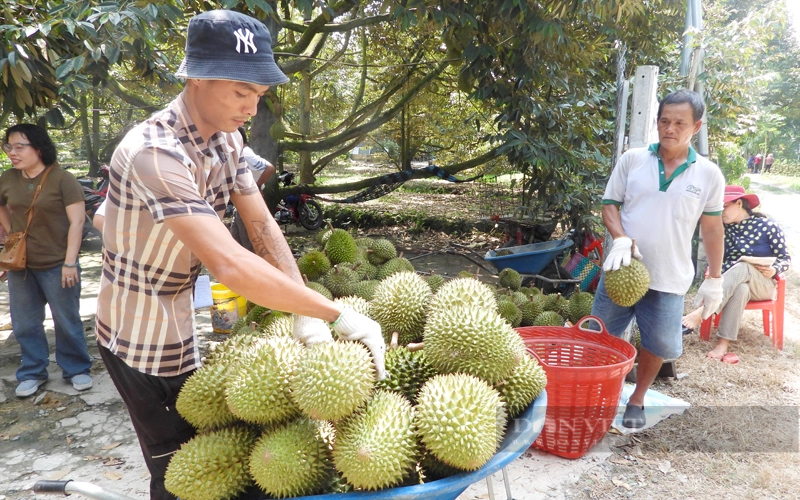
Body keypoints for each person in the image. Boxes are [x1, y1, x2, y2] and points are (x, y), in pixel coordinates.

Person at [95, 11, 385, 500]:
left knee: (202, 448)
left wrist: (302, 308)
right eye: (240, 92)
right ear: (197, 78)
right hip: (137, 330)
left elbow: (262, 226)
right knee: (176, 466)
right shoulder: (154, 151)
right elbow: (228, 262)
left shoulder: (227, 140)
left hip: (181, 309)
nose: (252, 108)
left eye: (258, 95)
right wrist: (336, 313)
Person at [591, 89, 725, 429]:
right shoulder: (633, 160)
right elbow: (610, 205)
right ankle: (598, 393)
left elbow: (711, 229)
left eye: (680, 122)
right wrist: (620, 239)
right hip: (623, 268)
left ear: (696, 126)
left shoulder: (708, 174)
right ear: (656, 122)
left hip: (669, 275)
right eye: (665, 121)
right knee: (601, 336)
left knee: (658, 344)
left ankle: (636, 399)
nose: (670, 128)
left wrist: (715, 277)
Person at [0, 124, 93, 398]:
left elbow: (77, 222)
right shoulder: (7, 178)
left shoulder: (62, 179)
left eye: (19, 147)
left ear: (38, 149)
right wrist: (9, 233)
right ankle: (32, 372)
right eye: (8, 147)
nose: (12, 152)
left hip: (57, 263)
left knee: (66, 320)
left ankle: (76, 369)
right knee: (25, 323)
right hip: (22, 265)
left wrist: (70, 263)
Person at [682, 186, 790, 363]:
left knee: (743, 267)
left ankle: (701, 312)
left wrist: (775, 269)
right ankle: (723, 344)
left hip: (763, 284)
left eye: (724, 206)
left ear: (739, 203)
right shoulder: (722, 229)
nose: (720, 212)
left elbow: (785, 258)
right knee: (741, 288)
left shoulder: (768, 226)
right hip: (734, 283)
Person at [229, 126, 276, 251]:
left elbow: (269, 168)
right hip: (240, 205)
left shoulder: (245, 154)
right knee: (236, 242)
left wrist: (258, 185)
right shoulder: (238, 154)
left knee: (249, 244)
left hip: (250, 204)